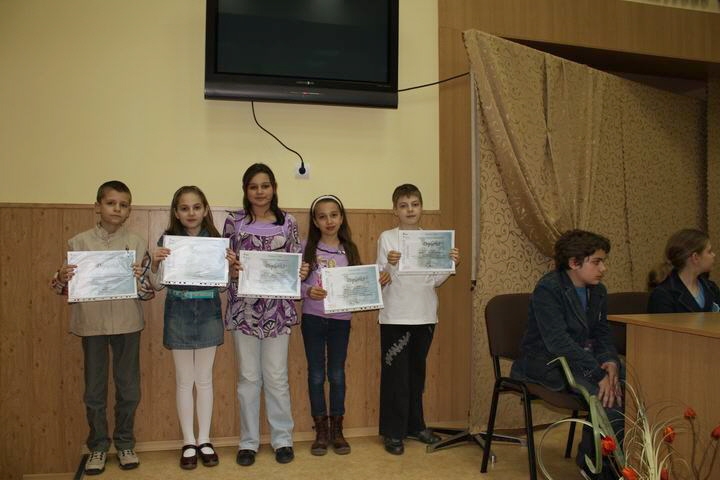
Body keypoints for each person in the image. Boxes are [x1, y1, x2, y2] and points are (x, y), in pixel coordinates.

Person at [50, 181, 154, 475]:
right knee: (94, 390)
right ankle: (97, 446)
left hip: (127, 323)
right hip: (91, 324)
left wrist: (139, 279)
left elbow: (149, 292)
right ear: (97, 206)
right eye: (110, 203)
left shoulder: (137, 243)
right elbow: (60, 286)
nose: (116, 209)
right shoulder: (78, 243)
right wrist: (61, 276)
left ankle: (125, 443)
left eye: (123, 205)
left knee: (129, 388)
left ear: (129, 210)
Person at [510, 229, 623, 480]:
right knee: (604, 396)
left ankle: (596, 459)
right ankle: (602, 468)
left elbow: (602, 333)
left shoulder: (598, 291)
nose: (603, 268)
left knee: (623, 385)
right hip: (546, 362)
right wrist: (597, 374)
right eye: (597, 262)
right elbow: (558, 342)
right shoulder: (548, 288)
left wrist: (610, 362)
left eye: (603, 261)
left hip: (582, 359)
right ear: (574, 262)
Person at [147, 186, 239, 470]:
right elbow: (157, 285)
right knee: (184, 381)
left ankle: (204, 440)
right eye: (184, 208)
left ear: (205, 209)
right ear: (176, 212)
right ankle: (188, 441)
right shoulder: (167, 241)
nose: (191, 213)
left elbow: (222, 286)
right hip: (178, 313)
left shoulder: (216, 241)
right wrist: (156, 263)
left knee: (205, 380)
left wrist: (229, 267)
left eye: (196, 207)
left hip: (208, 312)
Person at [223, 163, 309, 466]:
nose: (260, 192)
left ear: (274, 188)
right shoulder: (234, 222)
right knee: (248, 377)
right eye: (253, 187)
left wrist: (300, 272)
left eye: (265, 185)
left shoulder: (289, 223)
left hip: (278, 310)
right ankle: (248, 442)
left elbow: (296, 263)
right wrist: (231, 270)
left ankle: (282, 439)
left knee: (276, 376)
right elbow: (224, 265)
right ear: (246, 190)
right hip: (244, 310)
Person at [376, 184, 460, 455]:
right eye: (403, 205)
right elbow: (381, 278)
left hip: (424, 316)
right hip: (395, 317)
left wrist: (450, 264)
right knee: (395, 377)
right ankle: (393, 432)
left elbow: (435, 280)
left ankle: (416, 426)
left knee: (416, 375)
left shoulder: (432, 240)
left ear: (421, 207)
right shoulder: (387, 238)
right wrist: (389, 263)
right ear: (395, 210)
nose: (409, 210)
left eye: (414, 204)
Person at [647, 228, 720, 313]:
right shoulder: (663, 295)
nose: (714, 255)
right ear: (695, 257)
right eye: (709, 251)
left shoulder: (712, 288)